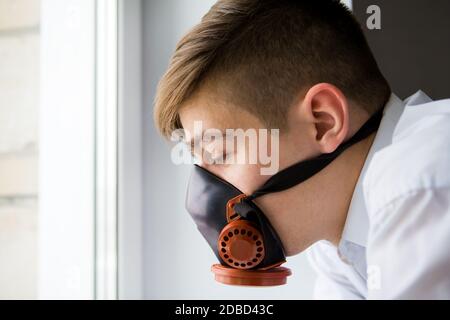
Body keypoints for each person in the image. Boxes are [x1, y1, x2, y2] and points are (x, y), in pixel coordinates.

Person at [153, 0, 450, 299]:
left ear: (323, 121)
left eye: (218, 153)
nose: (203, 195)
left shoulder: (420, 185)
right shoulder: (339, 249)